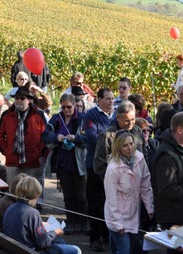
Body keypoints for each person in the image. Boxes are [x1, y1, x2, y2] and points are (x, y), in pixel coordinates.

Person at [43, 94, 88, 235]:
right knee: (68, 195)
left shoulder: (82, 118)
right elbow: (45, 136)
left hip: (79, 163)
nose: (66, 110)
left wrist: (76, 138)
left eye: (69, 107)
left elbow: (89, 137)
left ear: (75, 105)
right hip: (63, 163)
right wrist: (57, 137)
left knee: (81, 195)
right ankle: (71, 221)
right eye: (63, 107)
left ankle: (84, 222)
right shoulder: (56, 119)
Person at [2, 176, 81, 254]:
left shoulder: (10, 208)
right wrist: (55, 232)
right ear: (36, 194)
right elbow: (43, 242)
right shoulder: (32, 213)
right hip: (29, 250)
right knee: (76, 250)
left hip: (13, 249)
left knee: (58, 242)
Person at [0, 87, 48, 202]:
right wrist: (6, 151)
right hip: (13, 159)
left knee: (33, 189)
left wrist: (38, 153)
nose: (19, 100)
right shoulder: (7, 114)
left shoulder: (38, 115)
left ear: (29, 100)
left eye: (22, 98)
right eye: (16, 98)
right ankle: (14, 210)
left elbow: (45, 136)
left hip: (33, 160)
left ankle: (35, 210)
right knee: (14, 190)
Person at [104, 132, 153, 254]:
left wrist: (149, 207)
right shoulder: (113, 168)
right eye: (125, 145)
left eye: (131, 143)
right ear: (118, 148)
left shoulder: (139, 158)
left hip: (134, 212)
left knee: (137, 247)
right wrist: (117, 223)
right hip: (117, 215)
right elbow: (111, 198)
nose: (130, 148)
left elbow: (145, 184)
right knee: (124, 250)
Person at [82, 88, 115, 251]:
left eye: (112, 98)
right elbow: (92, 138)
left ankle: (109, 236)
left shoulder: (116, 115)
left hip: (115, 167)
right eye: (108, 98)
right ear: (99, 100)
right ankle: (95, 238)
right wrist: (115, 146)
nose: (111, 101)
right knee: (96, 203)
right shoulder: (91, 115)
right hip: (95, 166)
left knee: (111, 203)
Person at [94, 101, 144, 180]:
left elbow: (144, 154)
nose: (130, 123)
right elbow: (99, 164)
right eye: (126, 120)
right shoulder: (107, 136)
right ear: (118, 118)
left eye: (133, 119)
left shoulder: (137, 131)